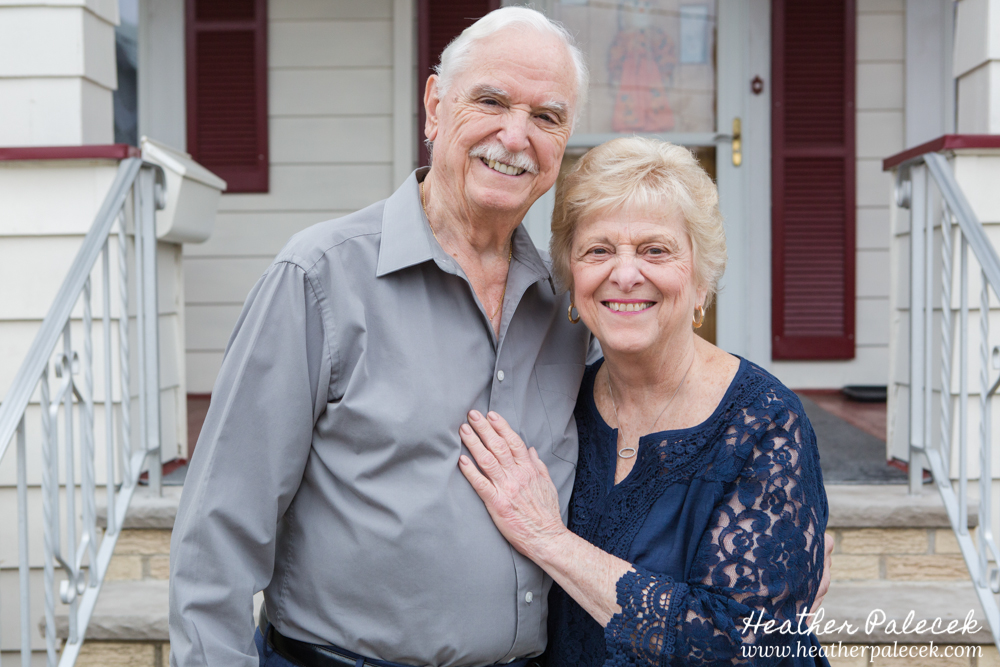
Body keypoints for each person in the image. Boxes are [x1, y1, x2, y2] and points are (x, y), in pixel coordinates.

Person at [169, 8, 596, 667]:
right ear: (434, 105)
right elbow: (220, 528)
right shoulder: (318, 277)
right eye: (491, 100)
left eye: (547, 117)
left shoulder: (570, 310)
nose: (516, 137)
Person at [458, 137, 832, 666]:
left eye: (655, 250)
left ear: (700, 279)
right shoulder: (561, 403)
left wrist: (549, 539)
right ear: (571, 277)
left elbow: (743, 646)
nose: (625, 274)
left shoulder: (765, 423)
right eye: (599, 250)